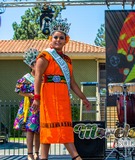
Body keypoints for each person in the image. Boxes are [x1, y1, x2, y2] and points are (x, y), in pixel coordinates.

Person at [32, 14, 91, 160]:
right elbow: (38, 77)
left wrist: (84, 98)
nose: (58, 40)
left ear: (66, 41)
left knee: (65, 127)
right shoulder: (45, 56)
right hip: (48, 95)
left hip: (62, 97)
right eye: (55, 37)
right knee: (48, 128)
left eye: (61, 38)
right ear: (51, 40)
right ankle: (44, 157)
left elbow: (72, 82)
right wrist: (36, 98)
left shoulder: (67, 60)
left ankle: (75, 156)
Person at [13, 48, 40, 160]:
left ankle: (37, 153)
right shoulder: (26, 78)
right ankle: (29, 154)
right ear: (30, 65)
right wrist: (30, 95)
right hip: (29, 107)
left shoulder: (42, 77)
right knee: (30, 130)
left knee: (39, 131)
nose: (36, 65)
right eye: (34, 63)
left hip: (41, 106)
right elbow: (18, 90)